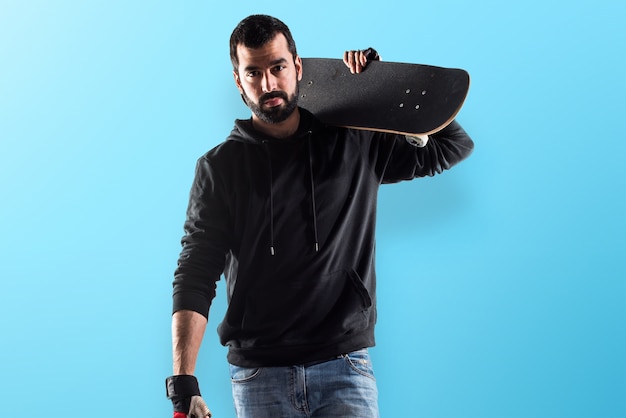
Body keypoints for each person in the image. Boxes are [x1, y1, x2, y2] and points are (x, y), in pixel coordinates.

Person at [165, 14, 473, 418]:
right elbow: (196, 270)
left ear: (298, 67)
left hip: (344, 366)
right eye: (253, 73)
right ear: (239, 83)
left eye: (277, 68)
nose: (269, 84)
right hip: (260, 375)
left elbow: (453, 144)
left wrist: (383, 89)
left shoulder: (353, 140)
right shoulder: (220, 169)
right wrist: (183, 382)